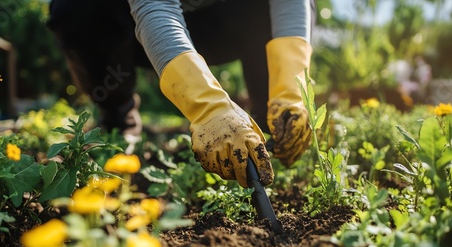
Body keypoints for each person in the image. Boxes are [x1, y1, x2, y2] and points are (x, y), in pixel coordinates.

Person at [47, 0, 315, 188]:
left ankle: (270, 122)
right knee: (75, 7)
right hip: (135, 26)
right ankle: (117, 122)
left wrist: (290, 92)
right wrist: (207, 107)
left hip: (227, 21)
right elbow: (154, 6)